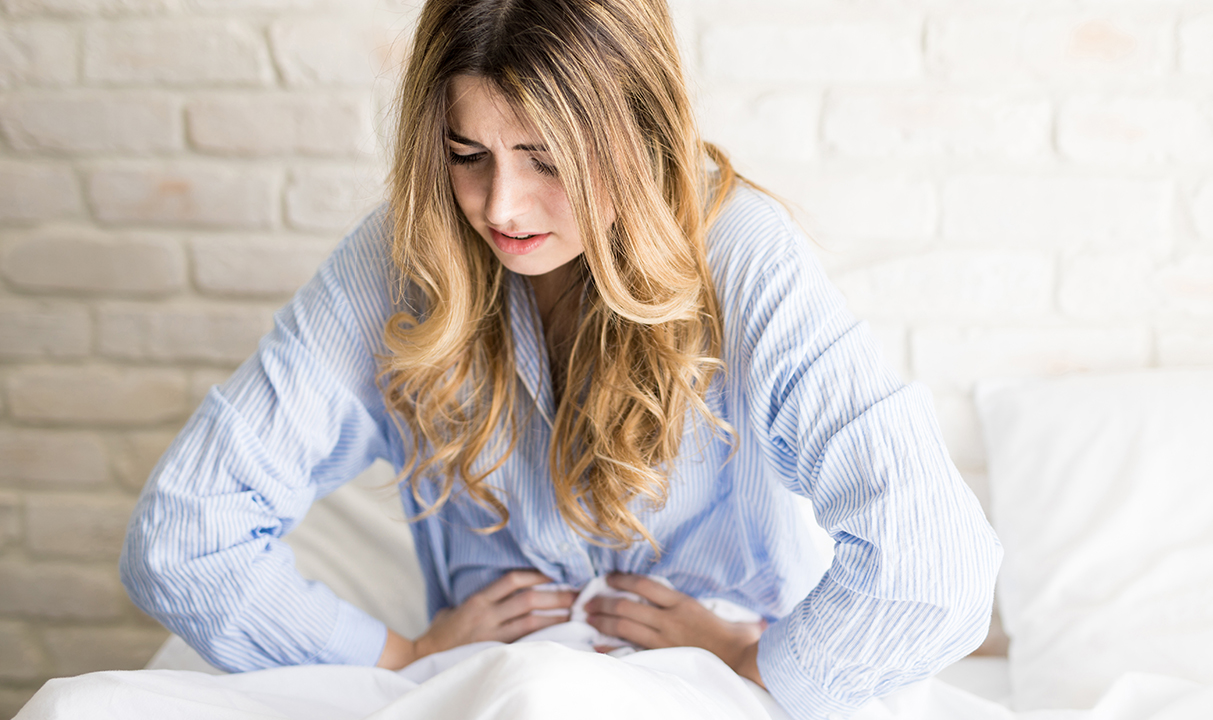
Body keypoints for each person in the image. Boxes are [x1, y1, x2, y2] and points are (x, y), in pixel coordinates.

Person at [120, 0, 1002, 717]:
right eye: (469, 155)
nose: (502, 206)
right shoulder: (401, 260)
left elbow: (930, 562)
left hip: (724, 680)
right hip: (495, 683)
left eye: (547, 160)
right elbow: (186, 533)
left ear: (637, 136)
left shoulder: (742, 256)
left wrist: (757, 656)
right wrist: (397, 656)